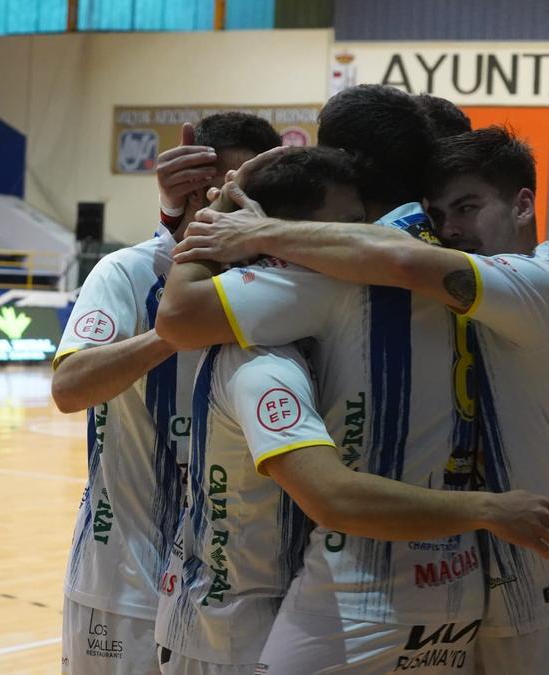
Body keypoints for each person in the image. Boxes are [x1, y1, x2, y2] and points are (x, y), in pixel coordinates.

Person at [175, 126, 549, 673]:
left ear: (524, 204)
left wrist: (248, 226)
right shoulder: (463, 291)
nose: (453, 229)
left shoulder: (525, 281)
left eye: (468, 207)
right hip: (481, 587)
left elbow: (405, 262)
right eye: (440, 215)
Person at [157, 84, 493, 674]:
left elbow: (180, 318)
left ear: (349, 166)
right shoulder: (484, 263)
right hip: (466, 577)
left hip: (363, 585)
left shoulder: (338, 270)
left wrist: (221, 214)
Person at [50, 112, 282, 675]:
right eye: (216, 185)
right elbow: (70, 387)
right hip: (122, 578)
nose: (226, 200)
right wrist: (171, 332)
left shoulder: (285, 284)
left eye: (243, 188)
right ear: (189, 184)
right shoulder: (127, 272)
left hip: (231, 593)